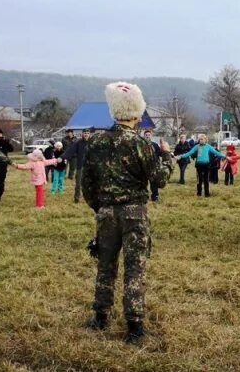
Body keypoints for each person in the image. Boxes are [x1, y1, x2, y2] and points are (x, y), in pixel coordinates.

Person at [82, 81, 174, 342]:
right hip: (134, 212)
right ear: (136, 112)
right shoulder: (139, 143)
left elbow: (86, 184)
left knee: (105, 265)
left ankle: (100, 316)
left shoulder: (96, 141)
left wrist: (101, 208)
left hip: (106, 212)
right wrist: (167, 157)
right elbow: (159, 179)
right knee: (135, 267)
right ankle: (134, 325)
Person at [61, 127, 92, 203]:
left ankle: (91, 199)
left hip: (91, 167)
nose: (86, 135)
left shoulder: (92, 142)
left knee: (91, 185)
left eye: (88, 133)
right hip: (80, 166)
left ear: (90, 134)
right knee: (78, 184)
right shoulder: (78, 143)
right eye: (85, 133)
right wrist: (62, 157)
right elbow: (70, 151)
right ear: (82, 134)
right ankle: (76, 199)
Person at [0, 129, 15, 201]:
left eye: (0, 134)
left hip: (3, 165)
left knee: (1, 182)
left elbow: (11, 149)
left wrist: (7, 142)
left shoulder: (5, 142)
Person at [143, 130, 162, 201]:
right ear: (144, 136)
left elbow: (160, 153)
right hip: (144, 166)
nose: (147, 136)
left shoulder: (155, 145)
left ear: (151, 136)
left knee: (153, 182)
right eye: (146, 135)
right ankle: (143, 196)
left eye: (149, 135)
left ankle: (155, 196)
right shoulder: (141, 144)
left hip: (153, 166)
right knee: (143, 182)